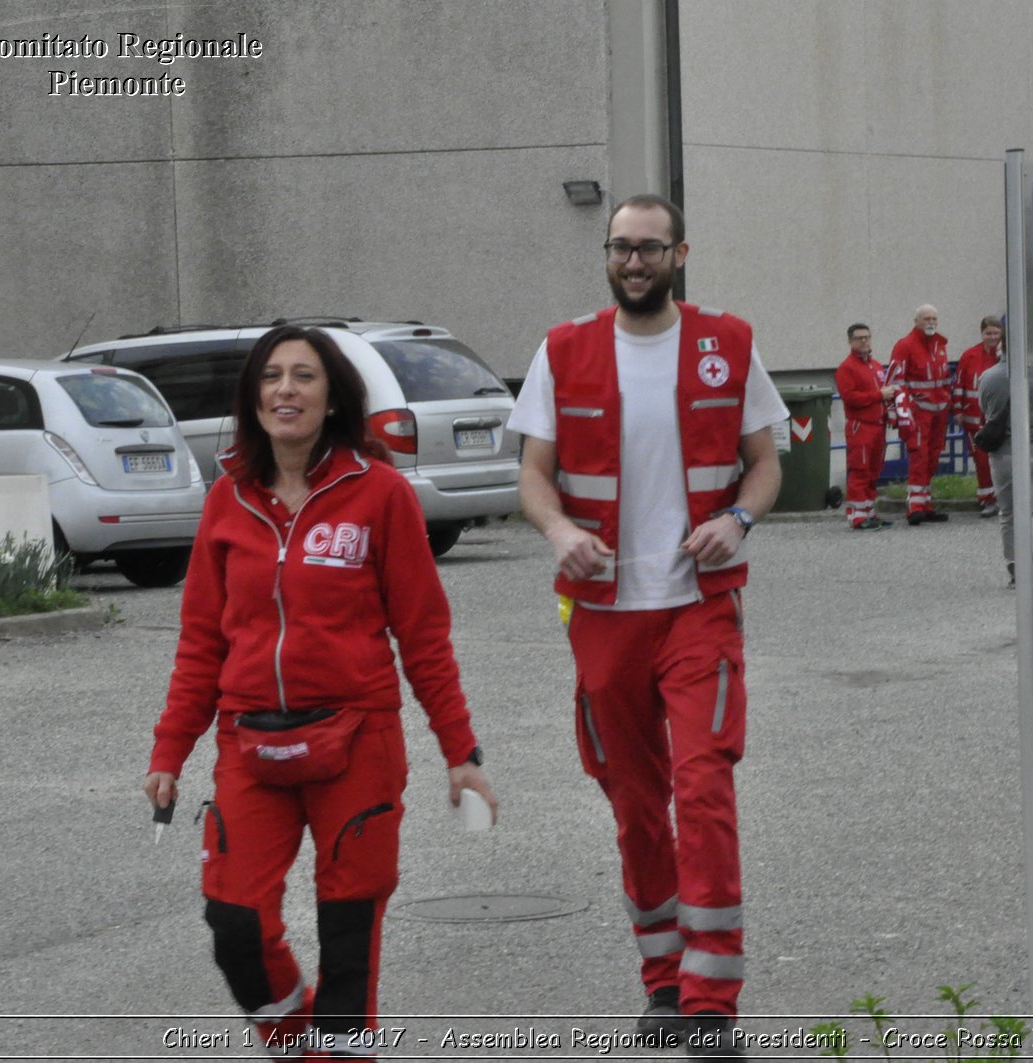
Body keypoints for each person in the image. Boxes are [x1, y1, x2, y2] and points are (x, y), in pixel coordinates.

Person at [142, 325, 496, 1059]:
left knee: (347, 940)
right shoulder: (225, 504)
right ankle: (300, 1041)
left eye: (304, 376)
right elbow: (202, 643)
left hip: (358, 742)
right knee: (235, 923)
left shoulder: (382, 495)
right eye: (272, 376)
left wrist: (459, 750)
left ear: (333, 396)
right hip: (250, 744)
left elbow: (424, 637)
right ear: (253, 397)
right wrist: (169, 749)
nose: (285, 390)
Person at [508, 193, 786, 1059]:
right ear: (607, 255)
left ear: (680, 253)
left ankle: (712, 1003)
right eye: (621, 247)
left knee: (703, 788)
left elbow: (767, 463)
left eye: (650, 248)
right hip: (604, 616)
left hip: (699, 610)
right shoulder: (564, 351)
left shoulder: (728, 344)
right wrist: (560, 533)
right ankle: (663, 982)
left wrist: (737, 521)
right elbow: (534, 477)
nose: (635, 261)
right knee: (635, 803)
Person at [977, 354, 1033, 586]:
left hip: (1002, 454)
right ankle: (1028, 561)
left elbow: (985, 410)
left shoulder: (987, 377)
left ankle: (1014, 566)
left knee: (1007, 512)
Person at [888, 304, 952, 525]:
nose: (931, 322)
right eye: (926, 319)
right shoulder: (905, 346)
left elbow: (942, 379)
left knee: (932, 457)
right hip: (918, 412)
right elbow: (896, 381)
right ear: (916, 321)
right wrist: (900, 411)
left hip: (939, 413)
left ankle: (925, 502)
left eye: (934, 318)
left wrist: (946, 401)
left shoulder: (940, 345)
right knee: (919, 457)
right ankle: (914, 505)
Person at [834, 322, 896, 530]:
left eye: (866, 337)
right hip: (860, 426)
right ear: (850, 341)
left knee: (873, 470)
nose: (864, 341)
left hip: (878, 425)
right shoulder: (846, 368)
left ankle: (869, 511)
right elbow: (851, 398)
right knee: (860, 470)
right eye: (859, 338)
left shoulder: (876, 366)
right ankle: (857, 516)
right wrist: (879, 395)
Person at [952, 315, 1005, 518]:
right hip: (975, 420)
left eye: (996, 333)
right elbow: (959, 385)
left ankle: (1004, 498)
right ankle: (987, 499)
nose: (992, 337)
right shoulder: (969, 356)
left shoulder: (1007, 355)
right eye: (988, 333)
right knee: (982, 462)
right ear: (981, 334)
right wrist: (957, 410)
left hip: (1000, 419)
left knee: (1003, 461)